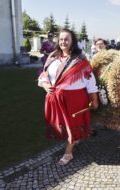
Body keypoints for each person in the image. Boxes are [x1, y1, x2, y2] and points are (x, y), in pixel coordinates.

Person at [38, 28, 98, 165]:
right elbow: (44, 74)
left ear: (72, 42)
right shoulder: (53, 57)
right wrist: (45, 85)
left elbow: (90, 81)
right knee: (63, 126)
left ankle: (68, 153)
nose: (63, 42)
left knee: (72, 126)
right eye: (61, 39)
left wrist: (94, 99)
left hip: (75, 99)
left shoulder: (80, 61)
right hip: (56, 99)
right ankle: (73, 141)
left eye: (67, 39)